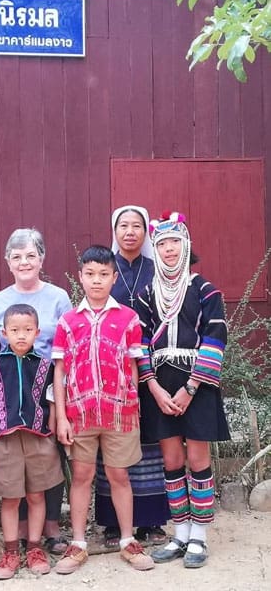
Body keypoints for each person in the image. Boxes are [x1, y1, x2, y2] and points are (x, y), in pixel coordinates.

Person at [52, 245, 155, 575]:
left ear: (114, 277)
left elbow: (135, 365)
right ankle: (78, 543)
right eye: (90, 274)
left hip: (119, 413)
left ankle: (128, 540)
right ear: (80, 276)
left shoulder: (128, 319)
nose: (97, 281)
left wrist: (132, 404)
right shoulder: (68, 322)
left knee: (119, 475)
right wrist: (60, 416)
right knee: (81, 476)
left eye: (104, 274)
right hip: (79, 414)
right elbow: (60, 371)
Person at [136, 212, 230, 568]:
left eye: (174, 242)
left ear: (186, 244)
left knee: (197, 459)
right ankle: (180, 532)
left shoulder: (206, 290)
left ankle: (200, 538)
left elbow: (215, 337)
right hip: (161, 385)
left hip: (197, 384)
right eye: (161, 244)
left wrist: (191, 387)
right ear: (155, 250)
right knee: (172, 460)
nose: (169, 249)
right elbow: (141, 344)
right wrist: (155, 388)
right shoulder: (147, 295)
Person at [0, 228, 72, 555]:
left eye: (31, 255)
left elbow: (67, 344)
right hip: (11, 387)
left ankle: (50, 526)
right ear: (7, 261)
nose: (24, 262)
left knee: (48, 455)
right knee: (14, 458)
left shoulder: (58, 297)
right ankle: (18, 531)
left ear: (42, 259)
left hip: (49, 384)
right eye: (17, 256)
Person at [95, 207, 169, 547]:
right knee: (112, 440)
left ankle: (151, 520)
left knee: (151, 439)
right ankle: (113, 523)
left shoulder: (157, 270)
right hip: (111, 367)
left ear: (145, 232)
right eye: (123, 225)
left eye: (137, 225)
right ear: (114, 230)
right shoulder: (105, 269)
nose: (130, 231)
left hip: (153, 365)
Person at [0, 304, 64, 580]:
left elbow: (52, 400)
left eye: (27, 330)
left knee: (37, 494)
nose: (21, 336)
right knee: (11, 497)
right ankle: (10, 550)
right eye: (14, 330)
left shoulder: (44, 365)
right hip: (5, 438)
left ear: (37, 332)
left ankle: (35, 547)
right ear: (3, 333)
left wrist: (51, 430)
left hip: (39, 436)